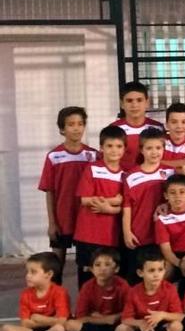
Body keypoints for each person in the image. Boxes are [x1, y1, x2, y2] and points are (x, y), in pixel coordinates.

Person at [39, 106, 97, 280]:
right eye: (71, 124)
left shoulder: (93, 156)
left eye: (80, 124)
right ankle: (54, 305)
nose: (76, 128)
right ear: (62, 129)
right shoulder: (53, 157)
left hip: (85, 220)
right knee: (56, 266)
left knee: (85, 268)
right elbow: (49, 191)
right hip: (62, 219)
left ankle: (83, 306)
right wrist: (52, 223)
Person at [102, 246, 185, 331]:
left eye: (160, 270)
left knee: (177, 326)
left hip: (162, 327)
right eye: (151, 270)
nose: (156, 275)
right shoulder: (133, 292)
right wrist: (140, 323)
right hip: (143, 328)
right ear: (140, 273)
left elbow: (180, 316)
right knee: (120, 330)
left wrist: (162, 315)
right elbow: (126, 319)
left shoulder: (170, 289)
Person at [121, 127, 177, 281]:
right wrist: (127, 231)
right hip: (140, 235)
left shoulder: (170, 172)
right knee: (138, 278)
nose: (154, 152)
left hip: (165, 236)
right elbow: (127, 206)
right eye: (149, 148)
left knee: (165, 277)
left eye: (158, 148)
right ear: (141, 150)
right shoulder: (132, 176)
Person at [73, 125, 125, 287]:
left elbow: (126, 203)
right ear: (101, 148)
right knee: (87, 280)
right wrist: (113, 200)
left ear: (124, 149)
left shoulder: (126, 174)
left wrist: (111, 208)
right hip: (87, 235)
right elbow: (85, 200)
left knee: (108, 278)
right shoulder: (93, 168)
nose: (114, 150)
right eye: (109, 146)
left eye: (118, 146)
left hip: (110, 237)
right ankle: (84, 311)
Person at [0, 252, 70, 331]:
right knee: (5, 329)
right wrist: (49, 321)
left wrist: (39, 319)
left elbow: (62, 321)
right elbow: (25, 323)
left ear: (49, 274)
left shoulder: (59, 292)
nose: (28, 276)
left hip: (55, 329)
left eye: (33, 272)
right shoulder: (25, 294)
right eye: (27, 272)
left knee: (59, 329)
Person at [65, 248, 129, 331]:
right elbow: (80, 317)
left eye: (107, 265)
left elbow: (129, 312)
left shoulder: (123, 286)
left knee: (125, 329)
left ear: (116, 269)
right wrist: (105, 319)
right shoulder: (87, 287)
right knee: (70, 325)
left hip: (115, 326)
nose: (102, 269)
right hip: (94, 325)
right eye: (97, 265)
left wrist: (113, 318)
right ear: (91, 269)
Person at [154, 175, 185, 283]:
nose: (177, 196)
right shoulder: (162, 219)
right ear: (166, 196)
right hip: (174, 256)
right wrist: (180, 263)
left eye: (182, 192)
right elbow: (166, 250)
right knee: (164, 271)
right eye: (172, 193)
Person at [111, 81, 164, 171]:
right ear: (122, 104)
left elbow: (163, 158)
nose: (134, 105)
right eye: (129, 101)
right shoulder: (114, 129)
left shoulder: (157, 127)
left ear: (147, 102)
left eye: (139, 100)